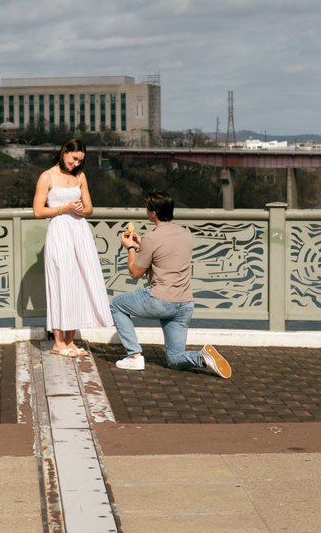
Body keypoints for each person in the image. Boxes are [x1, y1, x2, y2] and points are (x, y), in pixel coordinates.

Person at [111, 189, 232, 377]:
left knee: (117, 305)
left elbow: (135, 273)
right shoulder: (185, 234)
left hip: (161, 301)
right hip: (184, 304)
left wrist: (131, 248)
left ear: (153, 213)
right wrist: (141, 243)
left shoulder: (152, 238)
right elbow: (164, 253)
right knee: (175, 359)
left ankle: (134, 356)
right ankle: (202, 357)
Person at [33, 138, 113, 356]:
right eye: (74, 158)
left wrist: (79, 210)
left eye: (80, 161)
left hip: (80, 231)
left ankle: (70, 341)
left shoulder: (80, 177)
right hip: (59, 232)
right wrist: (65, 208)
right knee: (60, 282)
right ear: (65, 151)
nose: (76, 164)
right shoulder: (46, 177)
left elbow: (89, 208)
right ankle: (58, 343)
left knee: (77, 283)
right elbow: (38, 211)